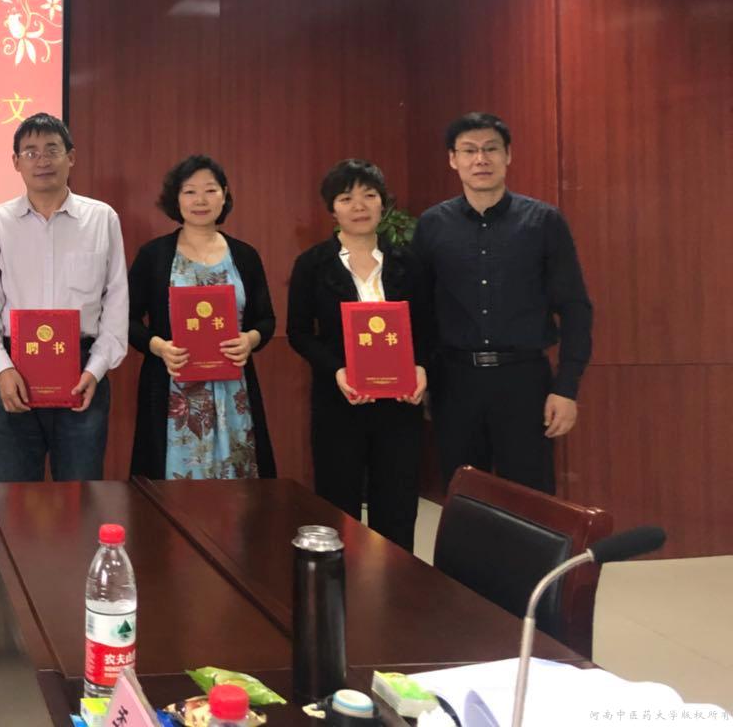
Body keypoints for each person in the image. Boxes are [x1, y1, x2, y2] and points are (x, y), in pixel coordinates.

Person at [411, 112, 592, 494]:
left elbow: (575, 307)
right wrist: (421, 373)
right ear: (453, 159)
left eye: (491, 149)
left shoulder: (544, 222)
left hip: (524, 381)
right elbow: (420, 310)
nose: (481, 159)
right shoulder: (431, 225)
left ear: (508, 155)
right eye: (469, 150)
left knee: (531, 499)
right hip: (455, 381)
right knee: (465, 497)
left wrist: (566, 388)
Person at [0, 112, 129, 482]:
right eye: (31, 152)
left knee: (81, 496)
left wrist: (96, 369)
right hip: (12, 369)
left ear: (71, 157)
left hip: (82, 371)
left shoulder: (102, 219)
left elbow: (117, 300)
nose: (42, 160)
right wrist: (1, 368)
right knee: (14, 500)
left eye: (52, 150)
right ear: (16, 162)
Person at [286, 159, 431, 550]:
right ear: (332, 209)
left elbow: (429, 328)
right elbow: (299, 333)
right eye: (346, 198)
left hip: (400, 406)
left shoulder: (410, 263)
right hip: (339, 403)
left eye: (369, 195)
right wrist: (336, 371)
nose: (359, 206)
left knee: (397, 507)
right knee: (338, 507)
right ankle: (340, 583)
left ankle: (396, 583)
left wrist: (421, 368)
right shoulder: (312, 265)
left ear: (383, 203)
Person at [128, 155, 277, 482]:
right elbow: (127, 320)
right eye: (190, 191)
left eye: (210, 190)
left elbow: (266, 320)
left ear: (224, 196)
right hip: (173, 389)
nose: (200, 200)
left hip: (233, 392)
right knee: (171, 489)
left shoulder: (245, 255)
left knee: (239, 491)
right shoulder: (153, 255)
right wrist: (159, 347)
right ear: (176, 199)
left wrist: (249, 340)